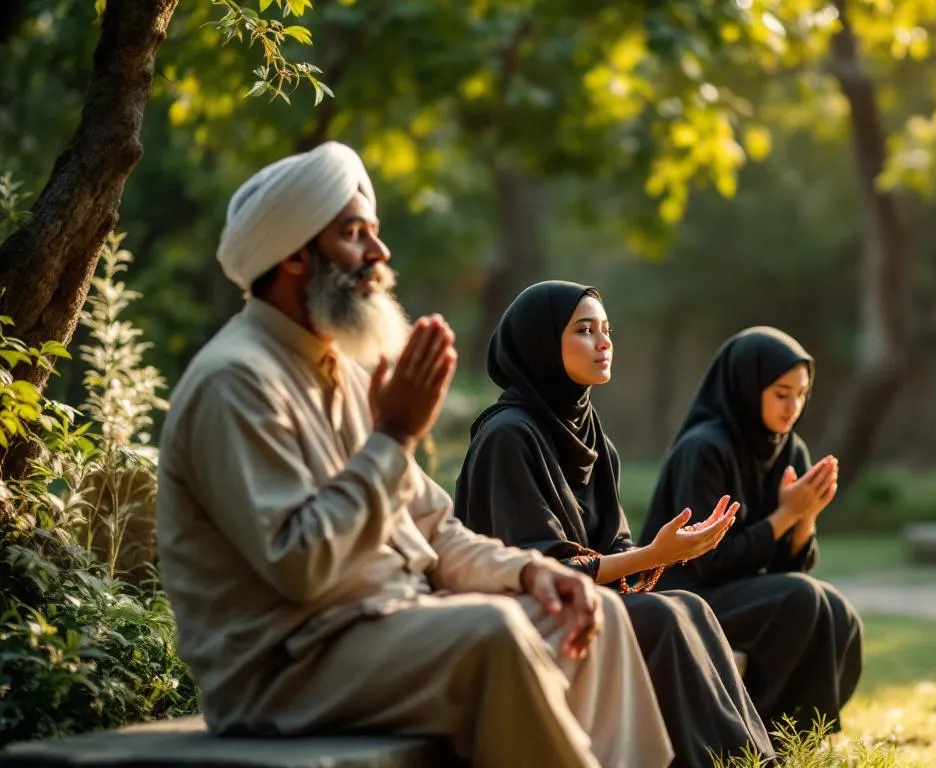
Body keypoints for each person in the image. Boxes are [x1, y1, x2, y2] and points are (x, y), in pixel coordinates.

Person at [155, 142, 674, 768]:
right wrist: (394, 437)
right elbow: (300, 564)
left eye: (374, 234)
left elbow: (435, 529)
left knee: (596, 618)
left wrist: (533, 574)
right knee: (494, 634)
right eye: (354, 235)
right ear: (294, 254)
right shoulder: (236, 382)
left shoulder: (342, 371)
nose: (379, 255)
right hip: (287, 667)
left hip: (389, 627)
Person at [453, 281, 776, 768]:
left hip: (588, 605)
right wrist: (653, 555)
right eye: (585, 331)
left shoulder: (590, 435)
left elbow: (615, 549)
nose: (604, 343)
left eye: (606, 330)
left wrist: (666, 554)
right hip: (522, 618)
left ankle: (754, 761)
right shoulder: (508, 436)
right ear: (542, 342)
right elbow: (538, 568)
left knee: (688, 605)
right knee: (663, 617)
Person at [638, 327, 864, 737]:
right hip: (686, 595)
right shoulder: (704, 448)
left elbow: (789, 566)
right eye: (781, 393)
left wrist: (806, 517)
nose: (793, 406)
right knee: (802, 598)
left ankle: (801, 738)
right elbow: (707, 560)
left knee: (838, 611)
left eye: (802, 394)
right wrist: (785, 515)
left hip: (745, 593)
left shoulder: (790, 449)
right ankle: (755, 736)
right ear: (747, 386)